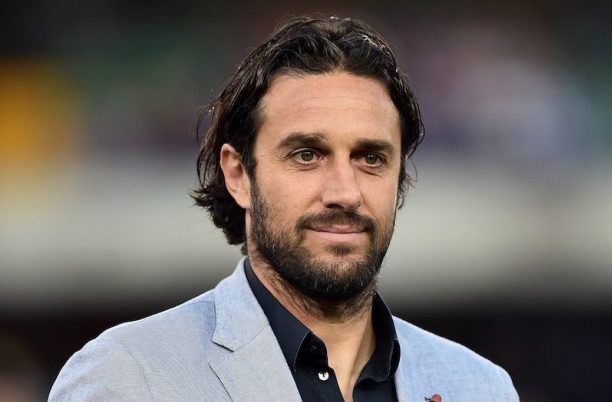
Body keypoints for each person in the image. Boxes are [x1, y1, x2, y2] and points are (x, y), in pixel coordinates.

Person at [49, 16, 519, 402]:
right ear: (238, 174)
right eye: (307, 155)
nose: (345, 192)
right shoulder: (129, 376)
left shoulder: (480, 388)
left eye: (371, 158)